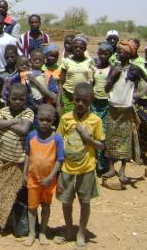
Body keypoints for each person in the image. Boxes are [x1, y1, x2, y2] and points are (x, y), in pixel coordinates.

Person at [56, 83, 105, 248]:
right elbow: (57, 139)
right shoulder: (65, 118)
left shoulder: (95, 120)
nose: (80, 104)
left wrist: (88, 138)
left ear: (91, 101)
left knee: (85, 202)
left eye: (85, 101)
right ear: (73, 98)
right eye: (77, 100)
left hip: (86, 169)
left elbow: (101, 146)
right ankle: (69, 230)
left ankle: (82, 232)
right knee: (66, 201)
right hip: (67, 169)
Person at [103, 40, 147, 184]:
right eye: (118, 51)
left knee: (125, 140)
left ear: (129, 54)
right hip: (113, 107)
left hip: (126, 108)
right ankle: (111, 167)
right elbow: (106, 89)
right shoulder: (114, 68)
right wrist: (113, 77)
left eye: (121, 52)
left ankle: (123, 170)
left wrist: (138, 94)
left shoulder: (135, 69)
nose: (119, 53)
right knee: (111, 138)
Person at [0, 83, 34, 234]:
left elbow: (24, 129)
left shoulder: (28, 112)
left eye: (21, 99)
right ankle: (0, 220)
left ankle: (16, 222)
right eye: (14, 99)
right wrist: (13, 121)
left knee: (17, 193)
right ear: (8, 98)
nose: (17, 102)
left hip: (19, 161)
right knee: (0, 191)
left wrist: (5, 124)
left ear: (26, 100)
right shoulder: (3, 110)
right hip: (3, 159)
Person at [23, 104, 64, 246]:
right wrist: (24, 173)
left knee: (46, 207)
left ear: (53, 120)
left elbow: (59, 160)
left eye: (48, 120)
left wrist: (51, 177)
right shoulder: (31, 136)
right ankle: (31, 233)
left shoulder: (57, 138)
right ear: (36, 119)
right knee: (32, 207)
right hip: (33, 178)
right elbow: (28, 155)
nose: (44, 123)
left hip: (49, 181)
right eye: (41, 120)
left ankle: (42, 232)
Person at [58, 35, 95, 114]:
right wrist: (58, 101)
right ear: (72, 48)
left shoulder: (89, 61)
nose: (78, 49)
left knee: (82, 119)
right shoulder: (66, 61)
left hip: (83, 96)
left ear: (85, 49)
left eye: (81, 47)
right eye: (75, 47)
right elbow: (61, 81)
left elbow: (91, 80)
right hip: (68, 95)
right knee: (68, 119)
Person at [91, 42, 112, 173]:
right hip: (94, 103)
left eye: (106, 53)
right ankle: (93, 163)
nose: (103, 56)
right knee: (93, 133)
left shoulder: (113, 69)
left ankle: (103, 165)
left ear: (110, 55)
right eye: (100, 53)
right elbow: (91, 83)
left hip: (106, 104)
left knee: (103, 134)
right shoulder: (94, 67)